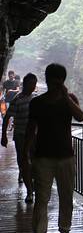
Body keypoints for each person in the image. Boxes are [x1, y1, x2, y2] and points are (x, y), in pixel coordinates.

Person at [24, 63, 83, 233]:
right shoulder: (37, 102)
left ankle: (64, 230)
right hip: (43, 157)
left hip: (66, 156)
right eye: (54, 79)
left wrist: (66, 96)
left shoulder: (70, 99)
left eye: (59, 80)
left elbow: (80, 117)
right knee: (42, 198)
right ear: (48, 80)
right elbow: (31, 129)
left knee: (66, 196)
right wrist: (26, 152)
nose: (56, 83)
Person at [1, 73, 37, 201]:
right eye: (31, 84)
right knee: (23, 162)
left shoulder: (36, 99)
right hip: (21, 135)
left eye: (34, 84)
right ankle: (29, 191)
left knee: (34, 161)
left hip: (34, 136)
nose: (33, 86)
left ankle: (32, 185)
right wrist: (3, 135)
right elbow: (7, 118)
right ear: (25, 84)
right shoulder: (18, 99)